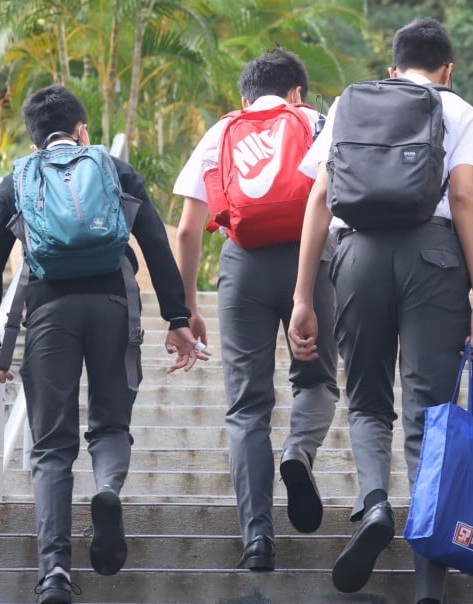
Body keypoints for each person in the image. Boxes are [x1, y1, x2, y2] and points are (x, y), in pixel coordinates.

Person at [288, 18, 473, 604]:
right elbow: (464, 199)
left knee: (368, 399)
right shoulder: (459, 110)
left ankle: (376, 501)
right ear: (447, 69)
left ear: (392, 66)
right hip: (433, 260)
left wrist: (304, 296)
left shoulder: (348, 105)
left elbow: (320, 199)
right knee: (431, 420)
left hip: (356, 259)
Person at [0, 84, 206, 604]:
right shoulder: (111, 169)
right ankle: (106, 489)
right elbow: (154, 243)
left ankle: (54, 569)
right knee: (109, 424)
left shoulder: (19, 179)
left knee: (51, 445)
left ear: (34, 141)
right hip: (113, 306)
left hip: (49, 311)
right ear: (82, 131)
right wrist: (177, 317)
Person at [172, 47, 339, 571]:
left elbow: (186, 228)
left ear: (245, 96)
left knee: (246, 408)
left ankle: (257, 539)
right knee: (316, 380)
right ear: (297, 94)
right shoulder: (315, 121)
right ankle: (298, 452)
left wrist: (186, 309)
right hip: (309, 260)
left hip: (241, 267)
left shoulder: (222, 131)